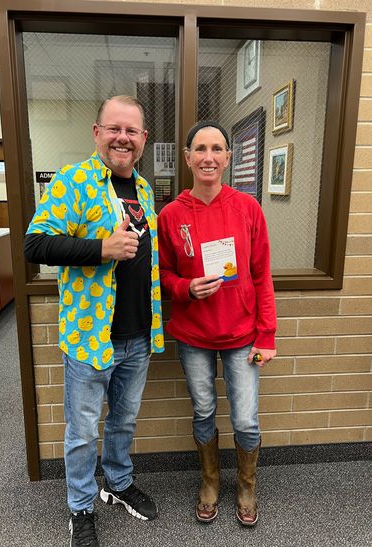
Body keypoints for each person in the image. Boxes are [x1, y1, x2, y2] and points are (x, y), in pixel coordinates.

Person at [24, 95, 164, 547]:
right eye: (114, 128)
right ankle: (81, 507)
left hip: (138, 334)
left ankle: (117, 484)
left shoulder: (143, 189)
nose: (123, 138)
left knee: (123, 421)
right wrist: (100, 249)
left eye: (132, 131)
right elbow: (35, 245)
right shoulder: (74, 182)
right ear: (97, 132)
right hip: (90, 338)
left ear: (143, 139)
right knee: (83, 431)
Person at [157, 120, 276, 527]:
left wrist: (267, 335)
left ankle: (246, 484)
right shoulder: (170, 215)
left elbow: (261, 276)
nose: (209, 157)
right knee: (204, 410)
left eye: (217, 149)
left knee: (245, 418)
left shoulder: (248, 209)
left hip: (243, 335)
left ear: (227, 157)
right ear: (188, 158)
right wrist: (186, 288)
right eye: (201, 149)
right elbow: (163, 277)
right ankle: (210, 480)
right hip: (194, 337)